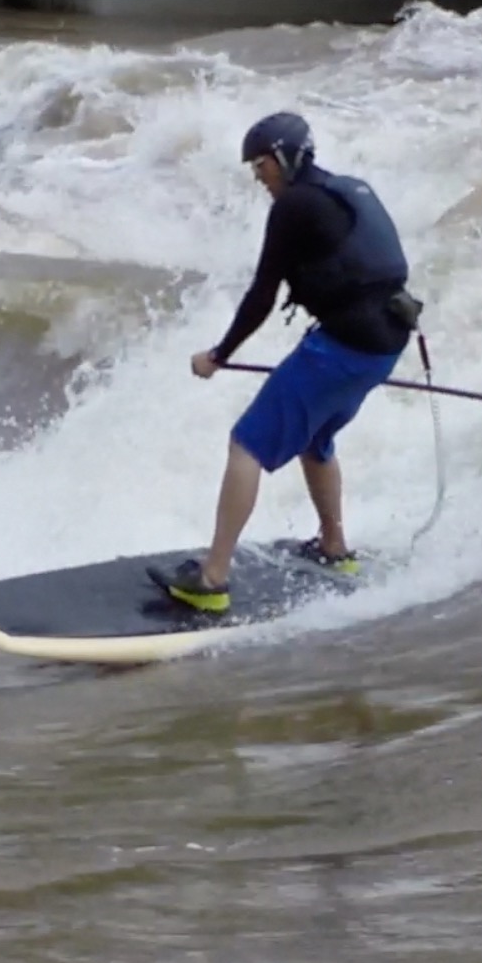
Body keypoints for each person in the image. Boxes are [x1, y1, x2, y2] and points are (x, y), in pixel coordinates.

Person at [149, 111, 421, 614]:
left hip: (345, 347)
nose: (259, 178)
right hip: (385, 345)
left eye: (262, 165)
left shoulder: (294, 206)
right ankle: (334, 547)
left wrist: (218, 355)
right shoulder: (347, 190)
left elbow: (261, 296)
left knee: (247, 442)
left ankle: (212, 578)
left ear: (285, 158)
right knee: (315, 439)